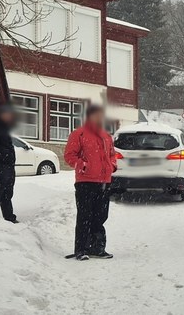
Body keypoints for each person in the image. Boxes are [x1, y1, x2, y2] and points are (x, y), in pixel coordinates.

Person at [63, 106, 117, 260]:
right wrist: (83, 165)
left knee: (100, 216)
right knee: (84, 216)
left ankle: (98, 248)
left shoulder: (106, 136)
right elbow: (69, 155)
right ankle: (81, 249)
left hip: (104, 182)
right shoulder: (79, 134)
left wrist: (112, 165)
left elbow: (112, 155)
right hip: (85, 181)